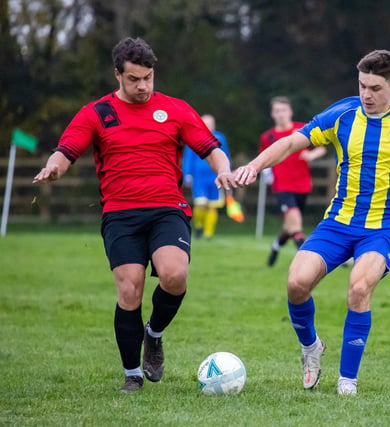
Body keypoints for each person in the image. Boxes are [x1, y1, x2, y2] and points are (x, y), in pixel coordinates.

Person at [235, 50, 390, 395]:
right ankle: (311, 348)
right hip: (337, 223)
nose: (366, 94)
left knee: (358, 288)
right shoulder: (343, 113)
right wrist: (255, 165)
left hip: (381, 229)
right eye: (362, 85)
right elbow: (293, 141)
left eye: (375, 88)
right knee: (296, 283)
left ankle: (347, 380)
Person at [32, 37, 234, 393]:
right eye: (134, 79)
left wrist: (224, 169)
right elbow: (66, 150)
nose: (142, 86)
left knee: (174, 276)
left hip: (166, 208)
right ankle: (132, 375)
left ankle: (153, 334)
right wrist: (53, 167)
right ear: (118, 75)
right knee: (130, 291)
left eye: (148, 77)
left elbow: (210, 148)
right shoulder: (97, 113)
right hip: (121, 214)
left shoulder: (175, 109)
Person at [259, 97, 326, 267]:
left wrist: (311, 155)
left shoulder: (302, 130)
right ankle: (308, 262)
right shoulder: (268, 137)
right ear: (272, 114)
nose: (280, 114)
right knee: (296, 226)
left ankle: (276, 245)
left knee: (291, 228)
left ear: (290, 112)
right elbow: (263, 158)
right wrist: (264, 172)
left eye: (283, 110)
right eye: (277, 111)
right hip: (281, 187)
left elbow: (322, 148)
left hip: (302, 185)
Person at [183, 114, 232, 239]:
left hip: (215, 176)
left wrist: (227, 171)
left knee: (212, 206)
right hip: (199, 178)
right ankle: (198, 226)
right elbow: (188, 157)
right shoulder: (193, 136)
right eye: (205, 123)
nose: (208, 125)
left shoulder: (220, 137)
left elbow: (225, 155)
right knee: (200, 203)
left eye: (210, 123)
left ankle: (208, 233)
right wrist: (187, 173)